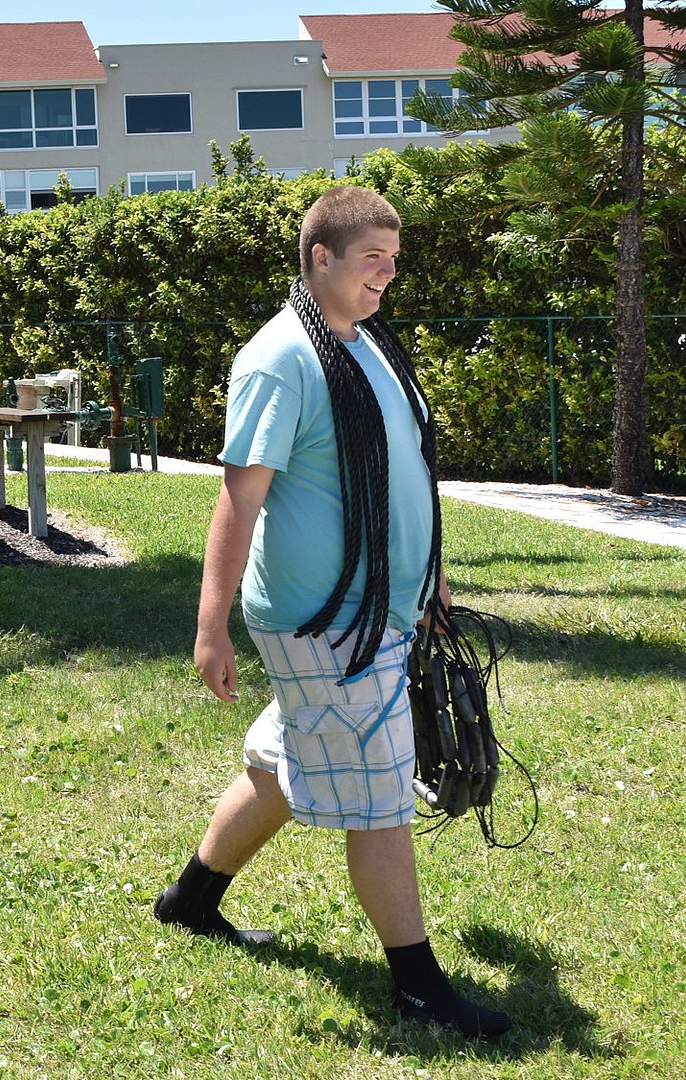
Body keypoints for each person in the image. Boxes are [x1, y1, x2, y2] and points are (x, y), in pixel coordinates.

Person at [152, 186, 511, 1039]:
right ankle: (419, 986)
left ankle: (189, 901)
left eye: (393, 259)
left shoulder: (366, 345)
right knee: (380, 798)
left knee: (284, 766)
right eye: (371, 259)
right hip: (329, 622)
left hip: (384, 607)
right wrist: (210, 625)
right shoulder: (282, 358)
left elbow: (403, 473)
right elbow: (240, 498)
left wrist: (432, 579)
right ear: (321, 258)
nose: (388, 274)